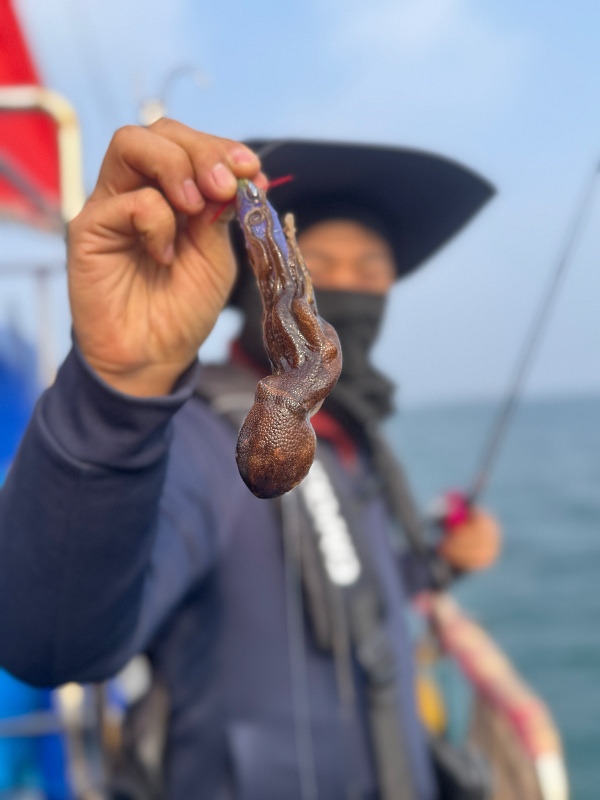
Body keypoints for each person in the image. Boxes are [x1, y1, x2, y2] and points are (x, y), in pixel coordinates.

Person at [0, 122, 500, 800]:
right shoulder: (197, 438)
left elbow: (354, 579)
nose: (347, 285)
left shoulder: (356, 441)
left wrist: (439, 562)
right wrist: (117, 398)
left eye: (371, 270)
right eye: (322, 262)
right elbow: (52, 638)